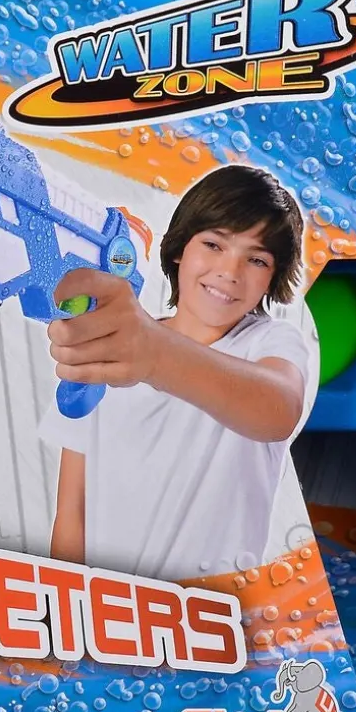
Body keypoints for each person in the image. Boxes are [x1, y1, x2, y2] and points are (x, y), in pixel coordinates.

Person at [40, 164, 312, 579]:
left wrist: (153, 353)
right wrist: (64, 605)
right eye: (214, 244)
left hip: (214, 610)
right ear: (180, 248)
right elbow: (71, 510)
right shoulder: (107, 346)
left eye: (257, 259)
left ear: (272, 278)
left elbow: (279, 409)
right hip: (106, 605)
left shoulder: (269, 342)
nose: (230, 272)